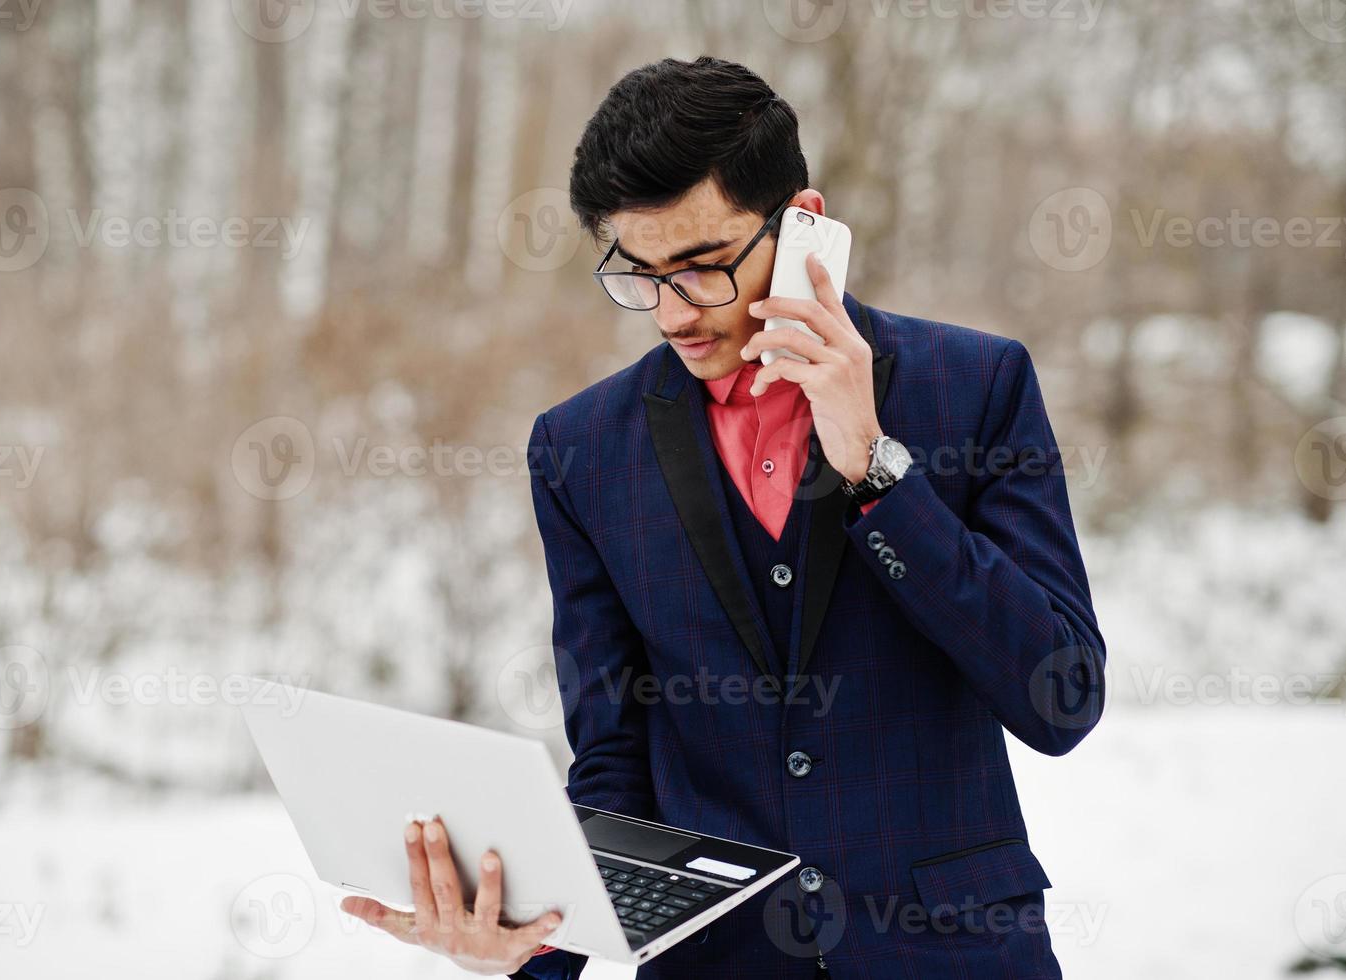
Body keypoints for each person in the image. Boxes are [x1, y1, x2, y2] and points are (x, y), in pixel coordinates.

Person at [345, 55, 1105, 979]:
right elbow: (614, 751)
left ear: (803, 228)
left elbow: (1058, 698)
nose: (672, 313)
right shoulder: (579, 449)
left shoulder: (974, 386)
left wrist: (875, 469)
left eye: (703, 268)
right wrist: (533, 953)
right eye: (640, 273)